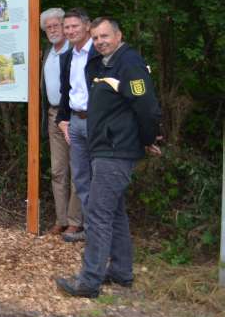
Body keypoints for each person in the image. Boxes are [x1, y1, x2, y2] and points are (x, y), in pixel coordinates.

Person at [56, 17, 161, 297]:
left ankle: (89, 281)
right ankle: (121, 272)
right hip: (104, 147)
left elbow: (147, 107)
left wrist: (148, 138)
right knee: (114, 214)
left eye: (105, 36)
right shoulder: (105, 63)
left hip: (116, 150)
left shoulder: (130, 63)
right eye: (97, 38)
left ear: (119, 35)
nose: (100, 42)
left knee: (98, 214)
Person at [55, 7, 98, 243]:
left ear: (87, 26)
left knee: (100, 177)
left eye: (74, 26)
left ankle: (100, 231)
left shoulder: (99, 54)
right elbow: (66, 92)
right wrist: (63, 120)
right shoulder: (69, 56)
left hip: (97, 123)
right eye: (67, 27)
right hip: (75, 122)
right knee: (81, 178)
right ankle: (90, 229)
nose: (70, 31)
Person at [40, 8, 82, 236]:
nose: (53, 30)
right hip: (54, 115)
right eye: (48, 27)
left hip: (75, 115)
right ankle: (61, 218)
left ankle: (75, 220)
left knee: (77, 169)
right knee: (57, 170)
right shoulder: (48, 53)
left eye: (57, 25)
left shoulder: (74, 51)